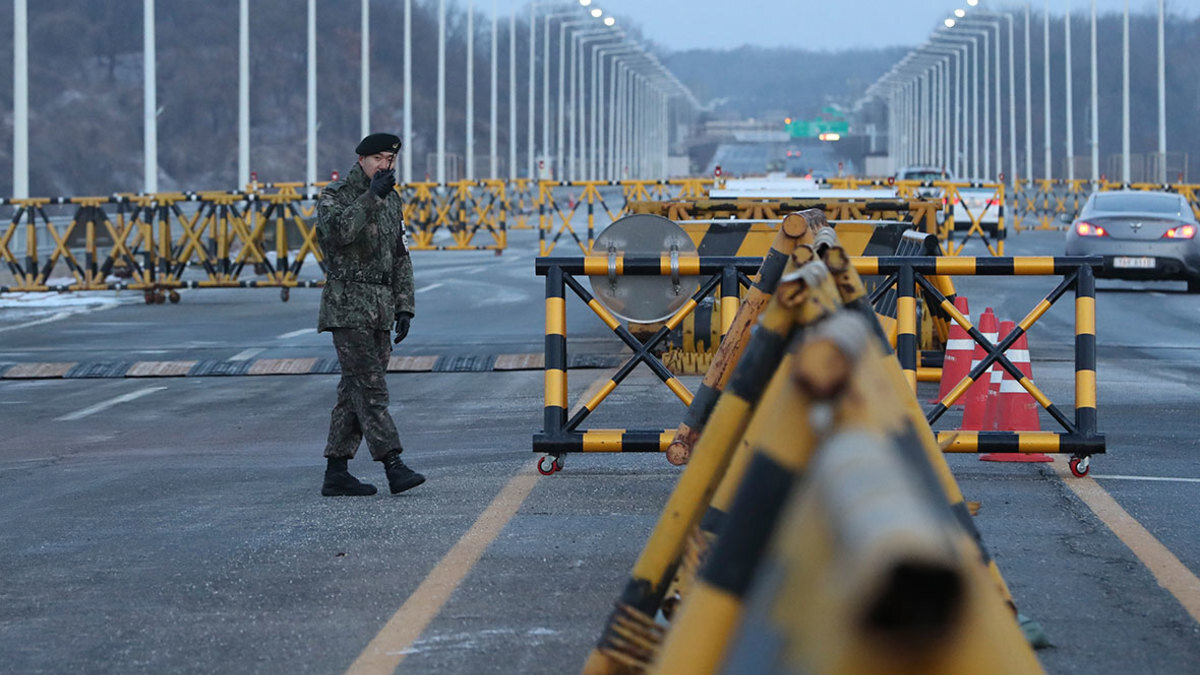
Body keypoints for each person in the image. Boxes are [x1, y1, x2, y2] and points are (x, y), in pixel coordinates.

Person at [316, 132, 425, 497]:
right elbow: (339, 233)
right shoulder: (336, 195)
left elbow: (400, 256)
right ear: (361, 159)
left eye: (390, 160)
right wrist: (371, 196)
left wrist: (405, 305)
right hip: (347, 305)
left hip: (380, 307)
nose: (385, 165)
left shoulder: (392, 201)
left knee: (354, 391)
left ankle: (336, 470)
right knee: (371, 389)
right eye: (378, 158)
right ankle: (393, 464)